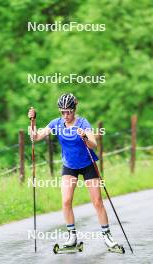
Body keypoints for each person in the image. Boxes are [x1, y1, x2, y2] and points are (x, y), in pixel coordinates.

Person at [28, 93, 118, 248]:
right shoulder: (56, 123)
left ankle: (107, 235)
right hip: (70, 166)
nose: (65, 115)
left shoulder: (83, 123)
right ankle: (72, 237)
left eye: (68, 111)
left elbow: (94, 144)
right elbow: (35, 138)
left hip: (88, 164)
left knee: (97, 201)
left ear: (74, 109)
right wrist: (33, 121)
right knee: (66, 201)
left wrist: (84, 137)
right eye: (62, 111)